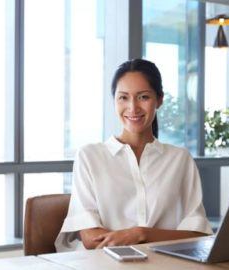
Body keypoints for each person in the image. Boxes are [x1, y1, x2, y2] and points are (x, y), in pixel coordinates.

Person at [55, 59, 213, 252]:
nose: (133, 108)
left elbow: (198, 234)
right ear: (114, 100)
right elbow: (90, 239)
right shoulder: (90, 157)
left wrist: (142, 234)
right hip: (105, 264)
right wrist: (147, 238)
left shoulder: (180, 159)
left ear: (159, 99)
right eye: (123, 97)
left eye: (143, 97)